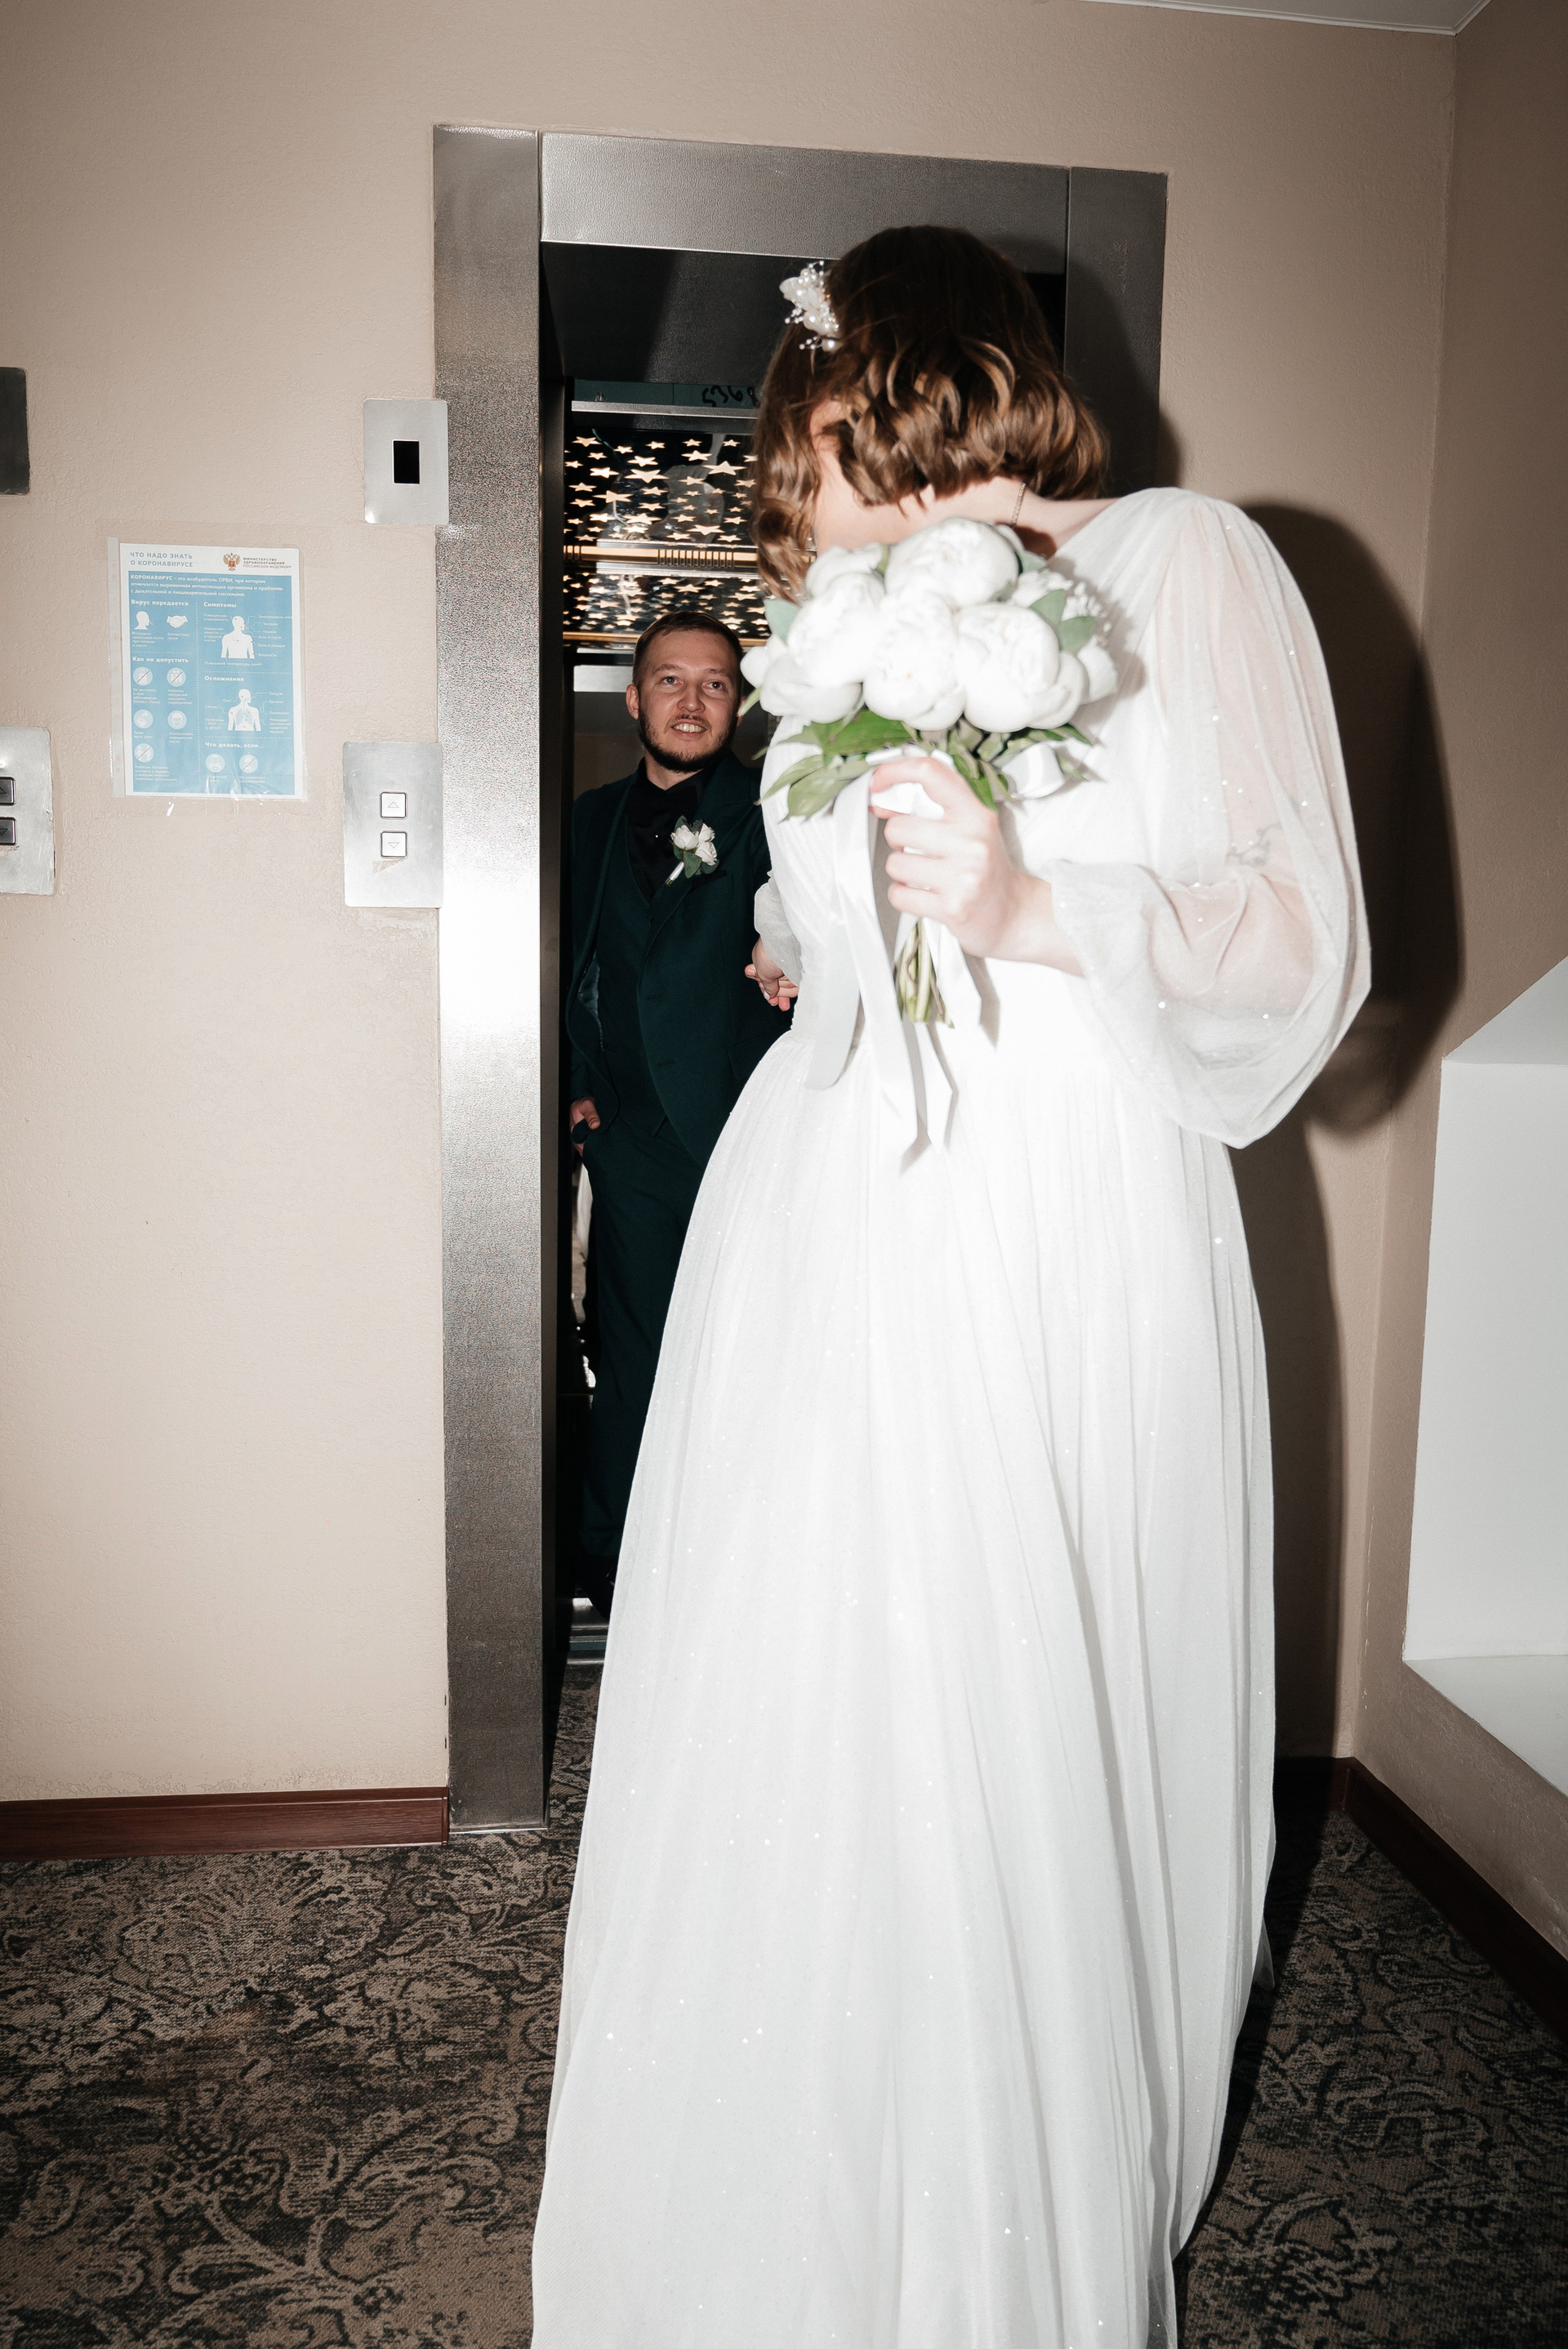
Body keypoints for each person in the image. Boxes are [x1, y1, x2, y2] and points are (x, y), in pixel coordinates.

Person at [532, 227, 1368, 2347]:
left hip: (1055, 1229)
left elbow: (1302, 948)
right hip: (826, 1236)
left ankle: (1001, 2229)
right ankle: (798, 2204)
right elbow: (828, 939)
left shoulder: (1186, 564)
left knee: (1018, 1725)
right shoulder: (848, 638)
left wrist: (1027, 904)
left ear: (910, 389)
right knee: (830, 1717)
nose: (792, 501)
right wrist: (817, 943)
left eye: (809, 441)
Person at [566, 611, 787, 1618]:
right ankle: (615, 1575)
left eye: (714, 683)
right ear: (633, 697)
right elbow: (561, 964)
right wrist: (579, 1083)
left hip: (755, 1135)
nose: (691, 701)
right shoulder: (584, 821)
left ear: (738, 703)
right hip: (631, 1142)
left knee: (753, 1358)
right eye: (669, 680)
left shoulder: (778, 811)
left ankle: (736, 1580)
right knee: (631, 1361)